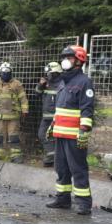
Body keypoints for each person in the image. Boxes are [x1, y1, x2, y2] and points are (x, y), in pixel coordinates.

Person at [46, 45, 95, 215]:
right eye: (64, 57)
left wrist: (84, 130)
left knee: (78, 169)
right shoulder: (63, 81)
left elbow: (87, 108)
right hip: (60, 133)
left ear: (79, 61)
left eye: (69, 58)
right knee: (61, 168)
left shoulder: (84, 82)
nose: (65, 61)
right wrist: (53, 124)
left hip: (75, 135)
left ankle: (84, 204)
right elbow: (61, 107)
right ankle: (63, 199)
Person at [0, 62, 29, 162]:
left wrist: (25, 111)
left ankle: (16, 155)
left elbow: (23, 98)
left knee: (14, 136)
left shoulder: (17, 84)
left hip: (13, 116)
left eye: (8, 72)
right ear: (0, 73)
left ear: (11, 73)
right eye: (3, 72)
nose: (5, 74)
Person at [36, 62, 63, 167]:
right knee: (42, 134)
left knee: (58, 137)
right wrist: (40, 85)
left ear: (55, 73)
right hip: (46, 116)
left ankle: (57, 159)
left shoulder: (62, 84)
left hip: (57, 117)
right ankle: (51, 155)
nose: (47, 75)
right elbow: (37, 94)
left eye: (49, 73)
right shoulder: (46, 83)